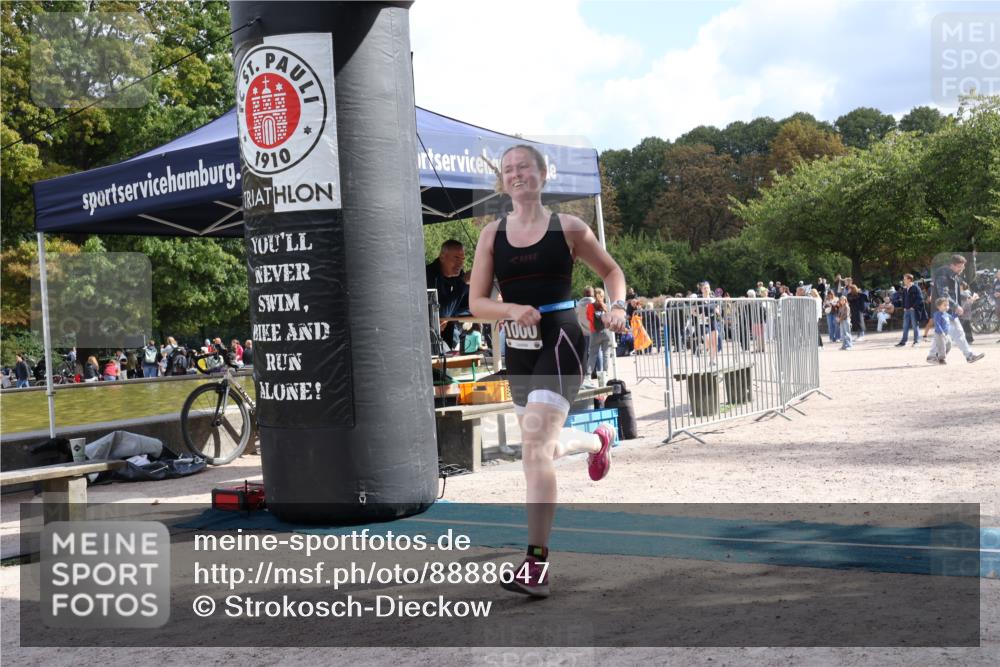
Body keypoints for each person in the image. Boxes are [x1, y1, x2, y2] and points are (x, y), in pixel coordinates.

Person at [468, 144, 626, 598]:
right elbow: (478, 303)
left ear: (542, 174)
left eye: (525, 168)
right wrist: (511, 308)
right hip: (517, 346)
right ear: (503, 181)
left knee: (532, 450)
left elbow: (612, 271)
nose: (517, 175)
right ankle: (597, 440)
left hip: (562, 338)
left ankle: (536, 566)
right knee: (544, 448)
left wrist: (614, 306)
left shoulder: (570, 228)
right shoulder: (490, 235)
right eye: (509, 170)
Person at [931, 255, 985, 364]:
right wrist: (956, 306)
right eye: (960, 266)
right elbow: (944, 294)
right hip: (943, 310)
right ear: (952, 265)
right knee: (947, 334)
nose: (962, 269)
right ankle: (933, 356)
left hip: (948, 310)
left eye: (963, 266)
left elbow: (954, 294)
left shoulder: (953, 275)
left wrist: (967, 298)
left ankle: (968, 355)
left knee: (953, 334)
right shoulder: (943, 274)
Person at [427, 239, 470, 350]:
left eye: (462, 259)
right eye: (456, 258)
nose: (460, 263)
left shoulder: (459, 276)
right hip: (429, 341)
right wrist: (463, 283)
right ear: (442, 257)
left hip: (450, 340)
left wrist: (451, 315)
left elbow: (471, 307)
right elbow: (441, 313)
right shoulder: (429, 276)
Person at [586, 287, 614, 383]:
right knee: (606, 353)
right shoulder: (605, 306)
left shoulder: (590, 306)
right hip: (606, 332)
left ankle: (588, 375)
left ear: (594, 296)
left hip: (595, 333)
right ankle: (605, 373)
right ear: (603, 296)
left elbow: (589, 318)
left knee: (593, 354)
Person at [895, 274, 923, 346]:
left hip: (913, 310)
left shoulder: (916, 288)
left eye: (905, 279)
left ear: (909, 279)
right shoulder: (905, 289)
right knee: (905, 326)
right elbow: (903, 299)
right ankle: (903, 342)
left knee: (915, 325)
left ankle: (916, 341)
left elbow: (920, 298)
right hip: (906, 310)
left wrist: (913, 307)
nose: (903, 280)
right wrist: (903, 307)